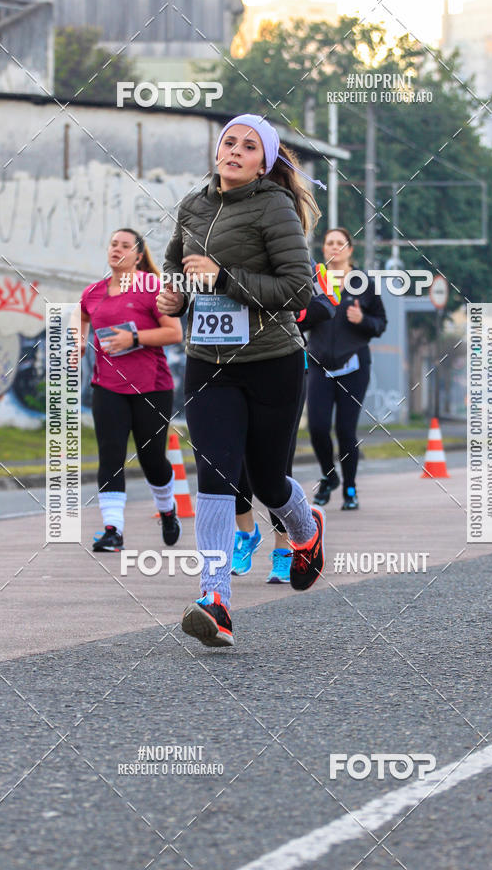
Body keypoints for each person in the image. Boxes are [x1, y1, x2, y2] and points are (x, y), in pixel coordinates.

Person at [157, 113, 326, 648]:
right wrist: (174, 297)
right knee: (216, 475)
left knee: (268, 480)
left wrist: (225, 280)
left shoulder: (273, 205)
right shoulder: (193, 205)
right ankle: (216, 599)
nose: (233, 151)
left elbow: (299, 289)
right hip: (209, 363)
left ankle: (305, 532)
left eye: (248, 147)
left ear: (265, 162)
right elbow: (176, 273)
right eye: (228, 141)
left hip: (272, 361)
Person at [76, 228, 183, 551]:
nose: (116, 249)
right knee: (111, 455)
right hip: (107, 386)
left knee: (153, 460)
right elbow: (81, 314)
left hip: (151, 387)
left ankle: (167, 510)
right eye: (113, 244)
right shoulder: (94, 292)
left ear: (138, 256)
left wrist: (133, 339)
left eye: (125, 246)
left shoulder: (153, 289)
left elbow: (174, 332)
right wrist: (79, 340)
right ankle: (113, 530)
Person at [232, 261, 338, 584]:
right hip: (231, 365)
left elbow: (329, 302)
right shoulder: (226, 252)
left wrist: (290, 311)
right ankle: (246, 533)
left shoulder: (302, 261)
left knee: (276, 465)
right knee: (233, 461)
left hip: (284, 365)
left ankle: (284, 548)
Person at [307, 227, 387, 510]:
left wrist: (362, 319)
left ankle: (350, 489)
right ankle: (329, 476)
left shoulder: (361, 282)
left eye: (340, 243)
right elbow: (299, 317)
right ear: (324, 248)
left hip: (353, 366)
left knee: (345, 430)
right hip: (318, 365)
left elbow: (380, 323)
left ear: (350, 249)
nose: (334, 247)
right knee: (317, 427)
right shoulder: (315, 280)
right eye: (330, 243)